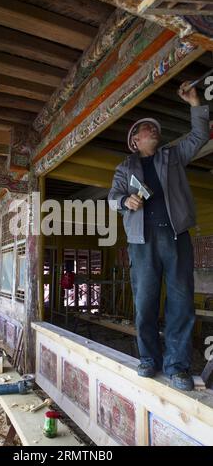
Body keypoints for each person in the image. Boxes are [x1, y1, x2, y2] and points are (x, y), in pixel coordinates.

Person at [108, 81, 210, 391]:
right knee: (146, 302)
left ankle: (177, 366)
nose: (154, 130)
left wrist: (195, 105)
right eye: (147, 128)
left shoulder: (173, 156)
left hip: (176, 236)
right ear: (135, 140)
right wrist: (126, 201)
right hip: (142, 242)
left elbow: (199, 136)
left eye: (155, 128)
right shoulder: (125, 168)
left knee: (180, 302)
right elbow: (112, 197)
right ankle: (149, 359)